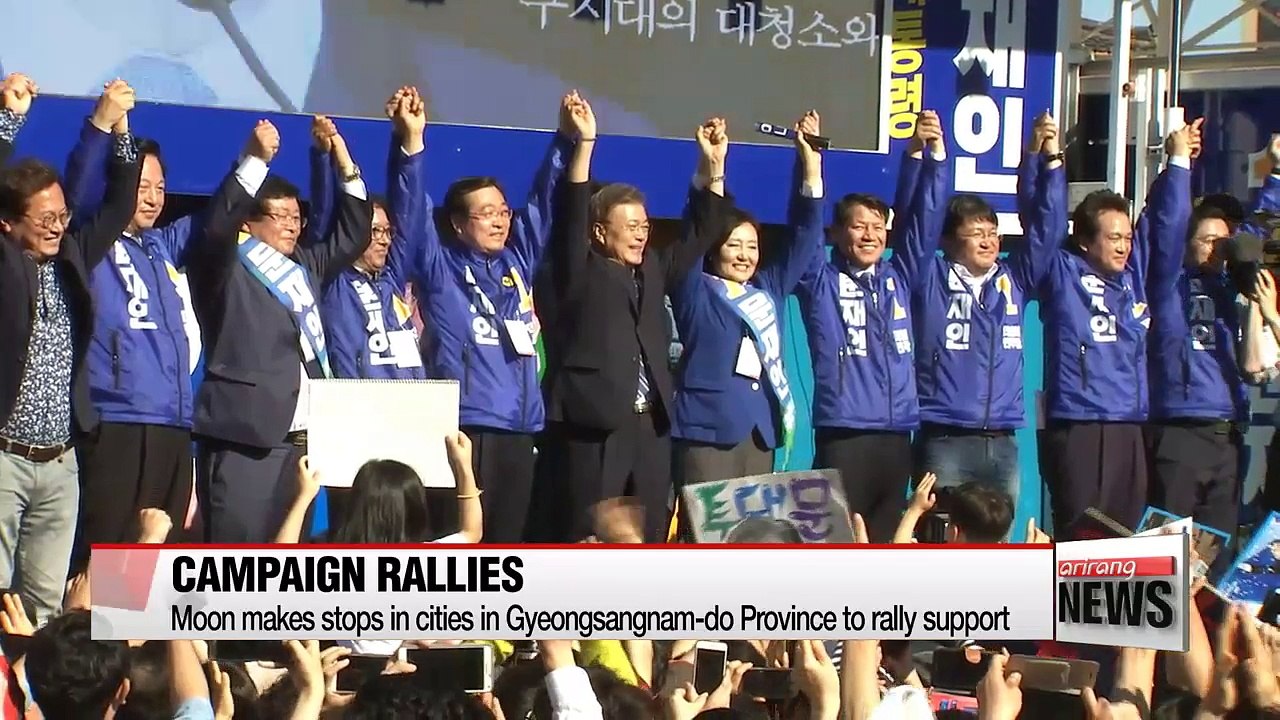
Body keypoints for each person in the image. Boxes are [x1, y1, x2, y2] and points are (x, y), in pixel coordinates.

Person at [538, 109, 732, 544]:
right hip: (594, 425)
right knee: (587, 536)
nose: (641, 234)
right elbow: (569, 215)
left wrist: (713, 167)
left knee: (650, 535)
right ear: (600, 232)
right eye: (630, 226)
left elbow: (702, 232)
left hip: (650, 428)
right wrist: (585, 144)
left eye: (645, 226)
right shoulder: (576, 269)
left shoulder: (653, 270)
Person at [402, 90, 582, 544]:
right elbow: (412, 213)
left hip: (521, 429)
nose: (500, 221)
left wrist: (565, 141)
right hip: (471, 426)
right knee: (464, 544)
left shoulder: (516, 264)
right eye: (487, 214)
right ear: (460, 224)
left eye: (503, 211)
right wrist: (410, 145)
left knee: (509, 546)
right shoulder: (440, 267)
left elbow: (542, 205)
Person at [0, 72, 142, 624]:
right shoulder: (7, 262)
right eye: (46, 220)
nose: (60, 226)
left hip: (59, 464)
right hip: (5, 456)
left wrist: (120, 131)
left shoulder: (72, 258)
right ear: (8, 222)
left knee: (43, 607)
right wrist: (9, 117)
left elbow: (115, 200)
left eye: (62, 216)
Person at [189, 118, 372, 544]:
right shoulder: (224, 265)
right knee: (239, 566)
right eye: (280, 216)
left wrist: (342, 157)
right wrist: (255, 161)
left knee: (292, 570)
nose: (292, 225)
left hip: (302, 445)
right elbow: (216, 226)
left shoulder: (304, 266)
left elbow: (354, 233)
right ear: (248, 222)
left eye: (297, 216)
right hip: (245, 441)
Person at [62, 83, 208, 569]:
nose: (151, 198)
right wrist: (105, 126)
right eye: (141, 186)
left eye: (160, 188)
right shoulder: (89, 237)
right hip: (118, 419)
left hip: (172, 423)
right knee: (109, 555)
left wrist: (252, 164)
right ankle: (95, 645)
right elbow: (80, 186)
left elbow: (220, 219)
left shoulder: (164, 246)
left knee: (157, 562)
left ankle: (143, 645)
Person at [793, 110, 947, 542]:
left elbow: (925, 222)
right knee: (837, 541)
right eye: (859, 226)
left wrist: (926, 156)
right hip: (845, 433)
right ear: (839, 233)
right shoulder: (819, 279)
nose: (869, 235)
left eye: (878, 227)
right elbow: (804, 229)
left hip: (896, 436)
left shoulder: (898, 277)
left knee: (885, 541)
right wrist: (810, 169)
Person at [1038, 124, 1195, 535]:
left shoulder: (1134, 276)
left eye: (1126, 237)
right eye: (1114, 238)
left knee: (1125, 540)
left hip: (1130, 422)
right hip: (1081, 423)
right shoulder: (1062, 271)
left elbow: (1165, 224)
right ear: (1086, 242)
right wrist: (1052, 164)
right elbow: (1046, 224)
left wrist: (1177, 163)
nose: (1124, 246)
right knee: (1081, 538)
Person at [908, 113, 1064, 508]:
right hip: (945, 439)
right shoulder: (930, 276)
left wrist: (1048, 161)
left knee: (998, 549)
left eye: (993, 232)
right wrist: (935, 159)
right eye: (977, 232)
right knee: (941, 542)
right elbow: (920, 220)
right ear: (949, 239)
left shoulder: (1014, 278)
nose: (988, 240)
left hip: (1004, 442)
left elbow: (1048, 230)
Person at [668, 110, 821, 485]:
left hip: (760, 432)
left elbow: (804, 235)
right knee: (703, 539)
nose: (744, 255)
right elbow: (697, 231)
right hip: (707, 431)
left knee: (751, 538)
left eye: (751, 246)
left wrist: (811, 165)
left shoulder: (768, 289)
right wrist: (714, 170)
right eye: (733, 245)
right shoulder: (694, 288)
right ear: (714, 250)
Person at [1146, 118, 1248, 542]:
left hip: (1228, 435)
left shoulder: (1235, 287)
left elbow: (1260, 238)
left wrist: (1276, 175)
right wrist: (1179, 161)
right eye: (1207, 240)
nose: (1215, 250)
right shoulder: (1169, 281)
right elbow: (1165, 226)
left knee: (1217, 552)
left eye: (1223, 243)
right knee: (1170, 551)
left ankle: (1207, 612)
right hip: (1180, 431)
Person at [318, 90, 426, 380]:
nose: (385, 239)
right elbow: (325, 210)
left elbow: (409, 208)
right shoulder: (333, 278)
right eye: (375, 231)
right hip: (359, 407)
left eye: (387, 232)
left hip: (411, 405)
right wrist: (329, 158)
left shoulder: (392, 277)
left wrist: (408, 139)